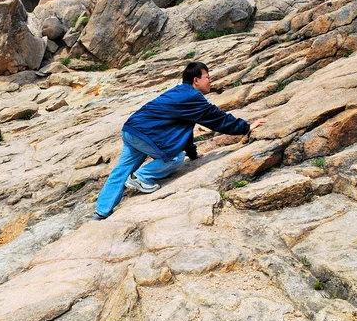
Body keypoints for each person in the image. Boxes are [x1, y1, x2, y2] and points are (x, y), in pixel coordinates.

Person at [92, 61, 267, 220]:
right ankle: (141, 177)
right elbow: (219, 119)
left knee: (121, 170)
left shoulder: (180, 93)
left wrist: (192, 154)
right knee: (175, 158)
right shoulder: (193, 98)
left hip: (131, 129)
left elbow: (184, 129)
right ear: (196, 80)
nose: (210, 81)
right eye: (207, 77)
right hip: (144, 133)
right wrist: (247, 127)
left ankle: (101, 211)